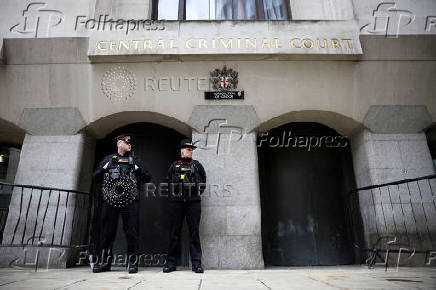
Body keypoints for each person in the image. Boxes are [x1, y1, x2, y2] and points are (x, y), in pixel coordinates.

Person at [92, 134, 151, 274]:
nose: (130, 144)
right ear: (119, 143)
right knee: (107, 232)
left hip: (130, 201)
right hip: (111, 201)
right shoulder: (108, 159)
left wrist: (138, 169)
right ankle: (104, 263)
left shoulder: (135, 160)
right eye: (127, 142)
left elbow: (148, 178)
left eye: (130, 142)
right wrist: (103, 169)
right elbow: (96, 177)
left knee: (131, 232)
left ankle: (132, 263)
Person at [163, 139, 207, 273]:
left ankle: (196, 264)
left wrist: (194, 190)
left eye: (191, 149)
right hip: (176, 203)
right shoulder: (174, 165)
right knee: (174, 233)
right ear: (181, 150)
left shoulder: (197, 165)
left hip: (193, 202)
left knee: (194, 233)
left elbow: (203, 182)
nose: (190, 151)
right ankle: (170, 263)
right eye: (188, 149)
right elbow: (167, 182)